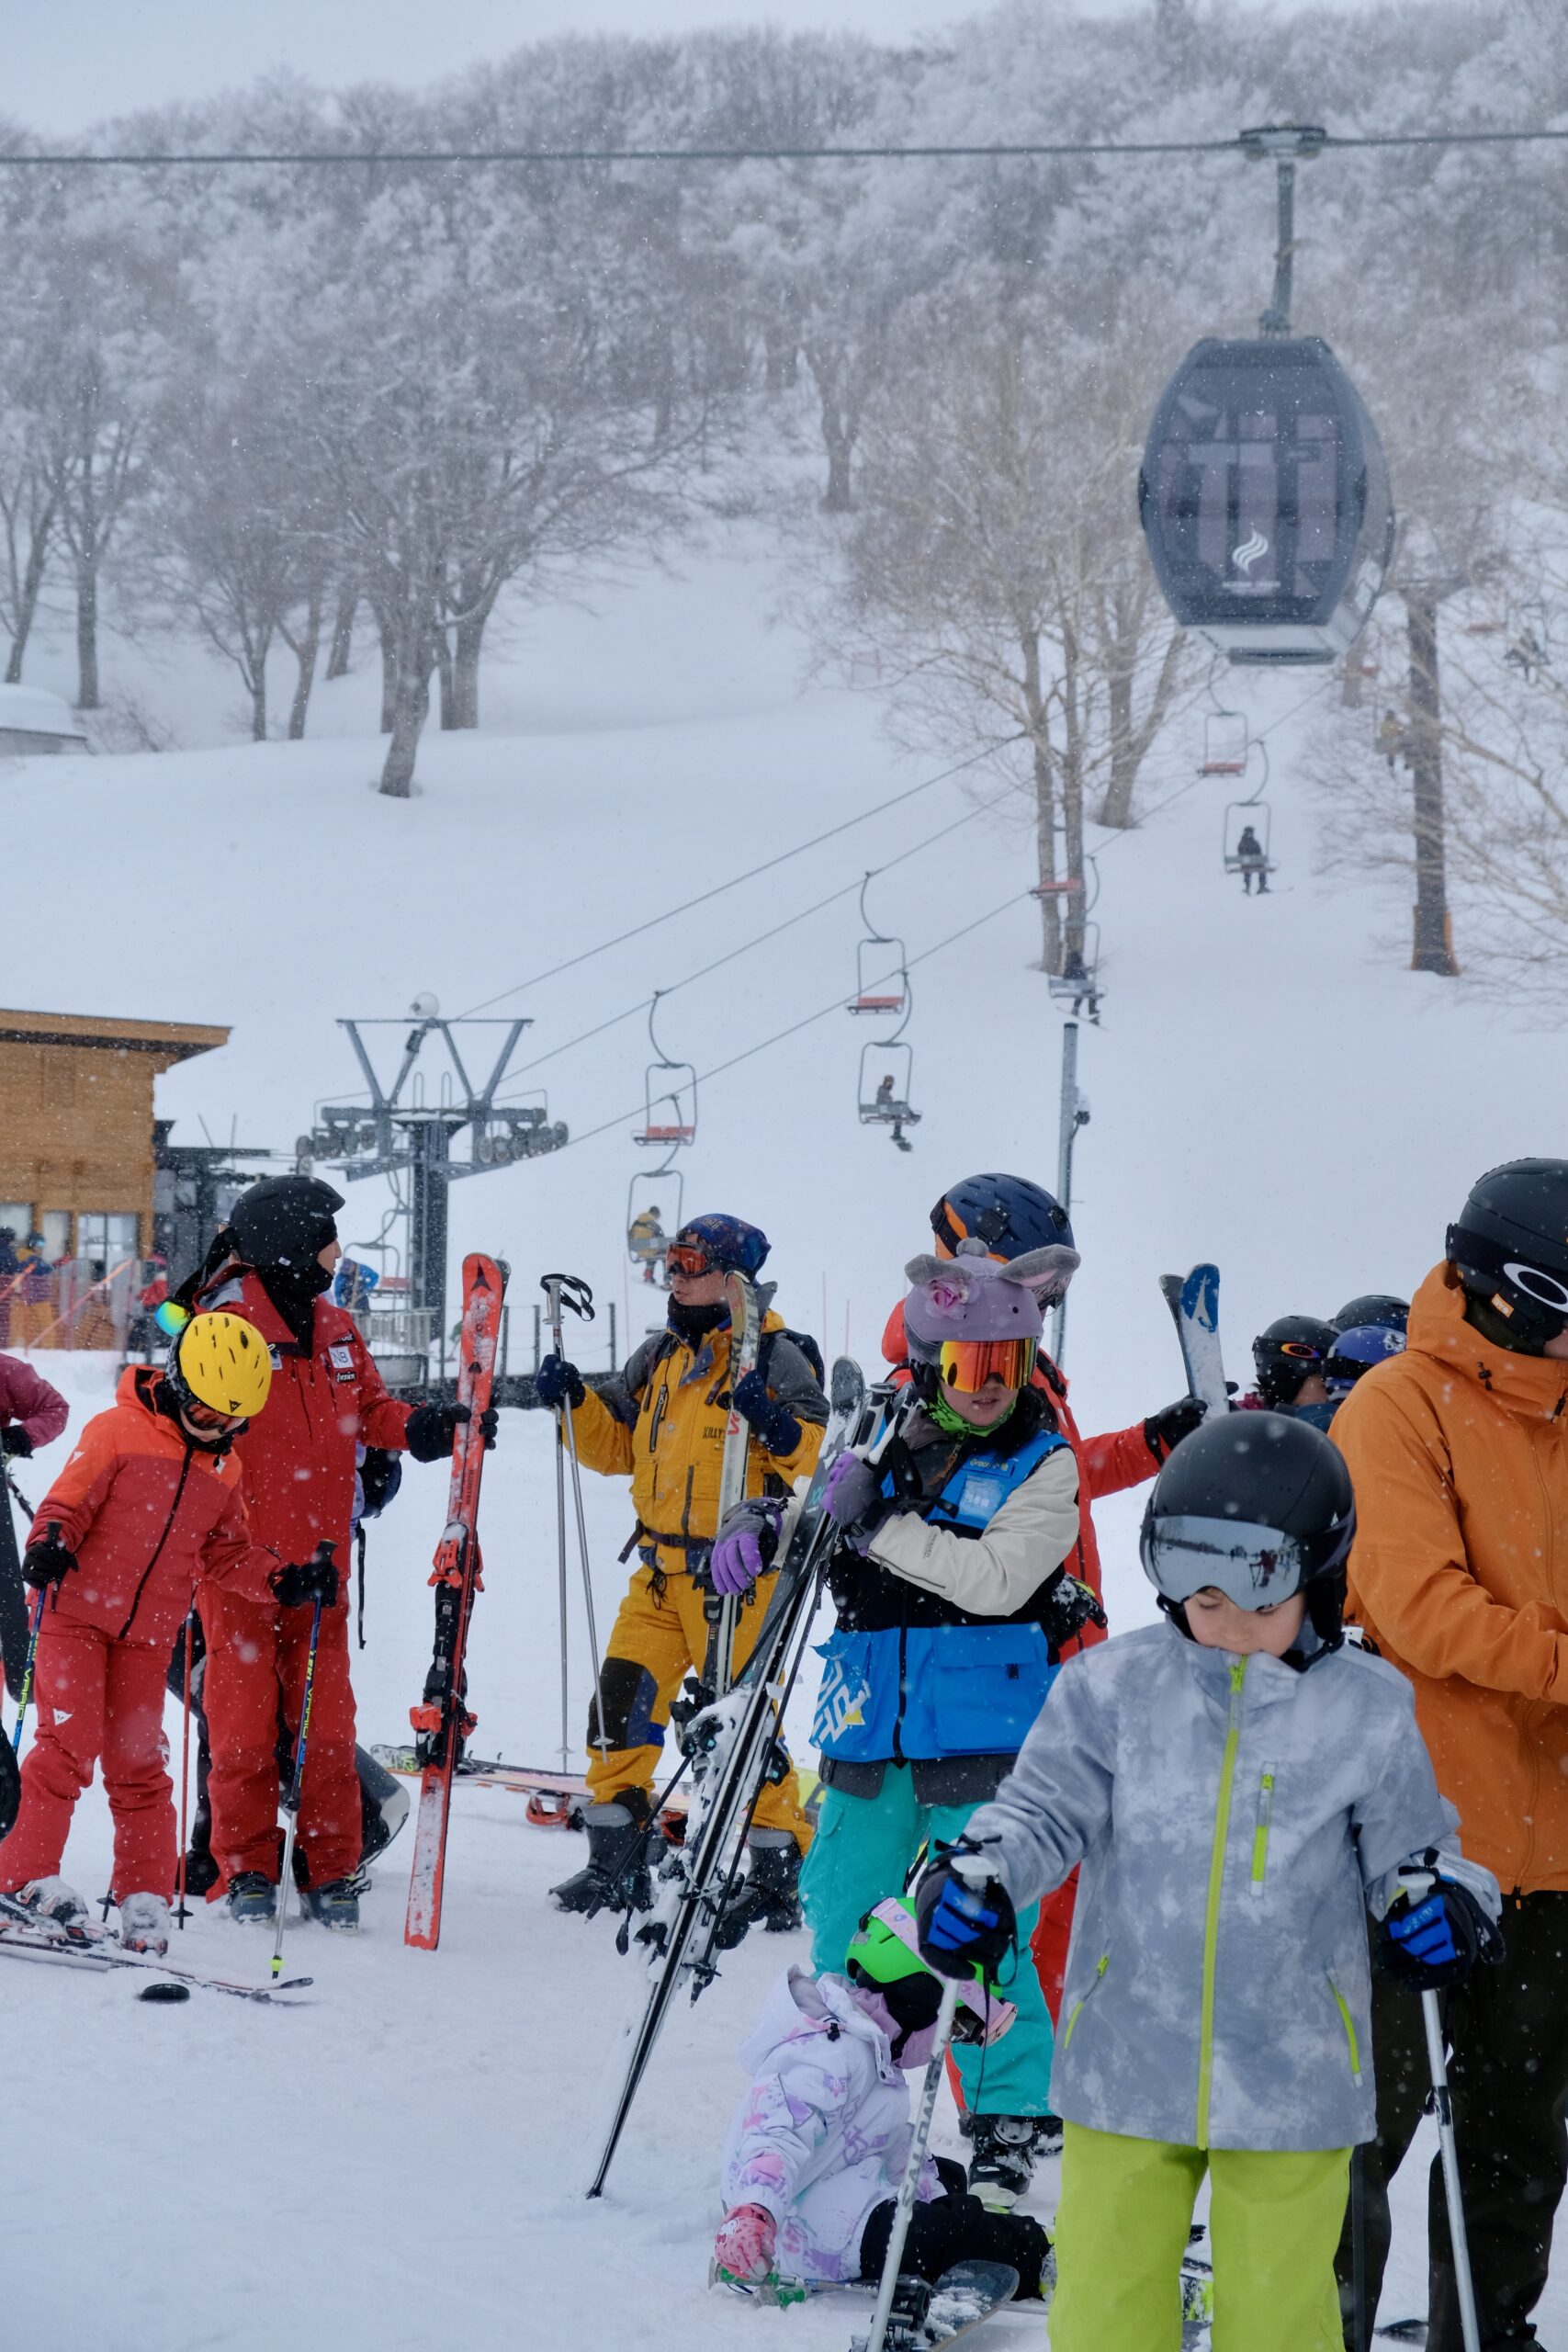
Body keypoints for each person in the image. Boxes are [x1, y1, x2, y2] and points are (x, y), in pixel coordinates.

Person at [913, 1412, 1501, 2352]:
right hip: (1125, 2056)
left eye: (1257, 1596)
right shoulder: (1111, 1689)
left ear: (1317, 1578)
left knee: (1277, 2321)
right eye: (1199, 1593)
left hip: (1293, 2073)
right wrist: (980, 1873)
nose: (1224, 1626)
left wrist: (1442, 1902)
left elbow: (1416, 1852)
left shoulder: (1366, 1708)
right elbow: (1041, 1812)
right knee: (1105, 2308)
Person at [752, 1246, 1101, 2210]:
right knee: (843, 1917)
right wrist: (769, 1522)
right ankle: (841, 2092)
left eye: (1008, 1366)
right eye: (968, 1366)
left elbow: (1000, 1578)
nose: (988, 1388)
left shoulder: (1045, 1460)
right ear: (934, 1361)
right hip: (867, 1721)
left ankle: (1007, 2120)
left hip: (983, 1731)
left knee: (980, 1932)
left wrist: (879, 1527)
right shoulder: (877, 1434)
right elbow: (824, 1508)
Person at [1330, 1160, 1568, 2346]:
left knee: (1519, 2129)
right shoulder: (1396, 1404)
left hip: (1556, 1850)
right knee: (1361, 2123)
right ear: (1508, 1286)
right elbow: (1416, 1606)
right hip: (1418, 1842)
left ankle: (1485, 2331)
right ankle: (1315, 2323)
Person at [884, 1173, 1204, 2042]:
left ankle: (1040, 2059)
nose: (1042, 1304)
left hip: (1065, 1648)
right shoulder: (941, 1370)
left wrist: (1151, 1444)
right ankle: (1003, 2081)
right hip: (1006, 1664)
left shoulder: (1016, 1362)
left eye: (1050, 1289)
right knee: (1009, 1874)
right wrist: (1033, 1599)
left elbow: (1060, 1474)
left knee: (1065, 1863)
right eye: (1033, 1283)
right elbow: (944, 1518)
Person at [172, 1174, 490, 1929]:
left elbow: (369, 1410)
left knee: (326, 1729)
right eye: (326, 1241)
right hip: (242, 1574)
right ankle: (246, 1866)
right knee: (243, 1730)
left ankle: (331, 1866)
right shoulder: (225, 1328)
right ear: (287, 1244)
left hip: (322, 1574)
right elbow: (189, 1431)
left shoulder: (336, 1327)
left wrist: (420, 1428)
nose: (335, 1257)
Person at [0, 1314, 336, 1956]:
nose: (221, 1429)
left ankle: (143, 1897)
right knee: (66, 1748)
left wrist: (283, 1580)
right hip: (73, 1616)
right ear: (182, 1385)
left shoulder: (223, 1469)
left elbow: (227, 1554)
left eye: (235, 1421)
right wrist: (49, 1543)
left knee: (141, 1767)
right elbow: (65, 1505)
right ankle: (19, 1879)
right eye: (210, 1414)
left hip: (147, 1635)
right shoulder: (118, 1432)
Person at [539, 1213, 827, 1933]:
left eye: (689, 1264)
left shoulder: (777, 1357)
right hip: (658, 1574)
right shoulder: (658, 1357)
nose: (673, 1275)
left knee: (735, 1728)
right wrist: (573, 1401)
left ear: (732, 1281)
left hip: (736, 1580)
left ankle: (774, 1872)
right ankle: (616, 1860)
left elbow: (818, 1464)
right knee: (618, 1710)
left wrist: (772, 1419)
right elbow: (614, 1449)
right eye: (670, 1262)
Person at [713, 1896, 1048, 2300]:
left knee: (945, 2177)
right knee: (952, 2231)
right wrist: (754, 2211)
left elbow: (876, 2135)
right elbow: (774, 2135)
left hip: (832, 2194)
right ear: (917, 2002)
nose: (952, 2041)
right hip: (811, 2228)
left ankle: (969, 2230)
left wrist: (926, 2182)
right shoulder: (831, 2053)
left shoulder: (865, 2044)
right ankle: (1040, 2257)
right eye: (955, 2026)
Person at [1242, 1312, 1340, 1429]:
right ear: (1286, 1384)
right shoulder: (1242, 1432)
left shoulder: (1337, 1431)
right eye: (1325, 1387)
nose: (1334, 1397)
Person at [627, 1204, 667, 1287]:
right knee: (666, 1254)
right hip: (651, 1251)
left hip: (639, 1251)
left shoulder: (636, 1222)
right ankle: (667, 1281)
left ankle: (649, 1273)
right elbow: (662, 1240)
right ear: (655, 1214)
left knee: (651, 1252)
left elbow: (630, 1236)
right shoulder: (654, 1225)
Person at [1234, 822, 1269, 894]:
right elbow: (1259, 854)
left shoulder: (1241, 843)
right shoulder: (1254, 843)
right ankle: (1262, 886)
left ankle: (1247, 887)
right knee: (1262, 869)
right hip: (1257, 865)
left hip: (1245, 865)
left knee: (1247, 868)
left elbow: (1239, 853)